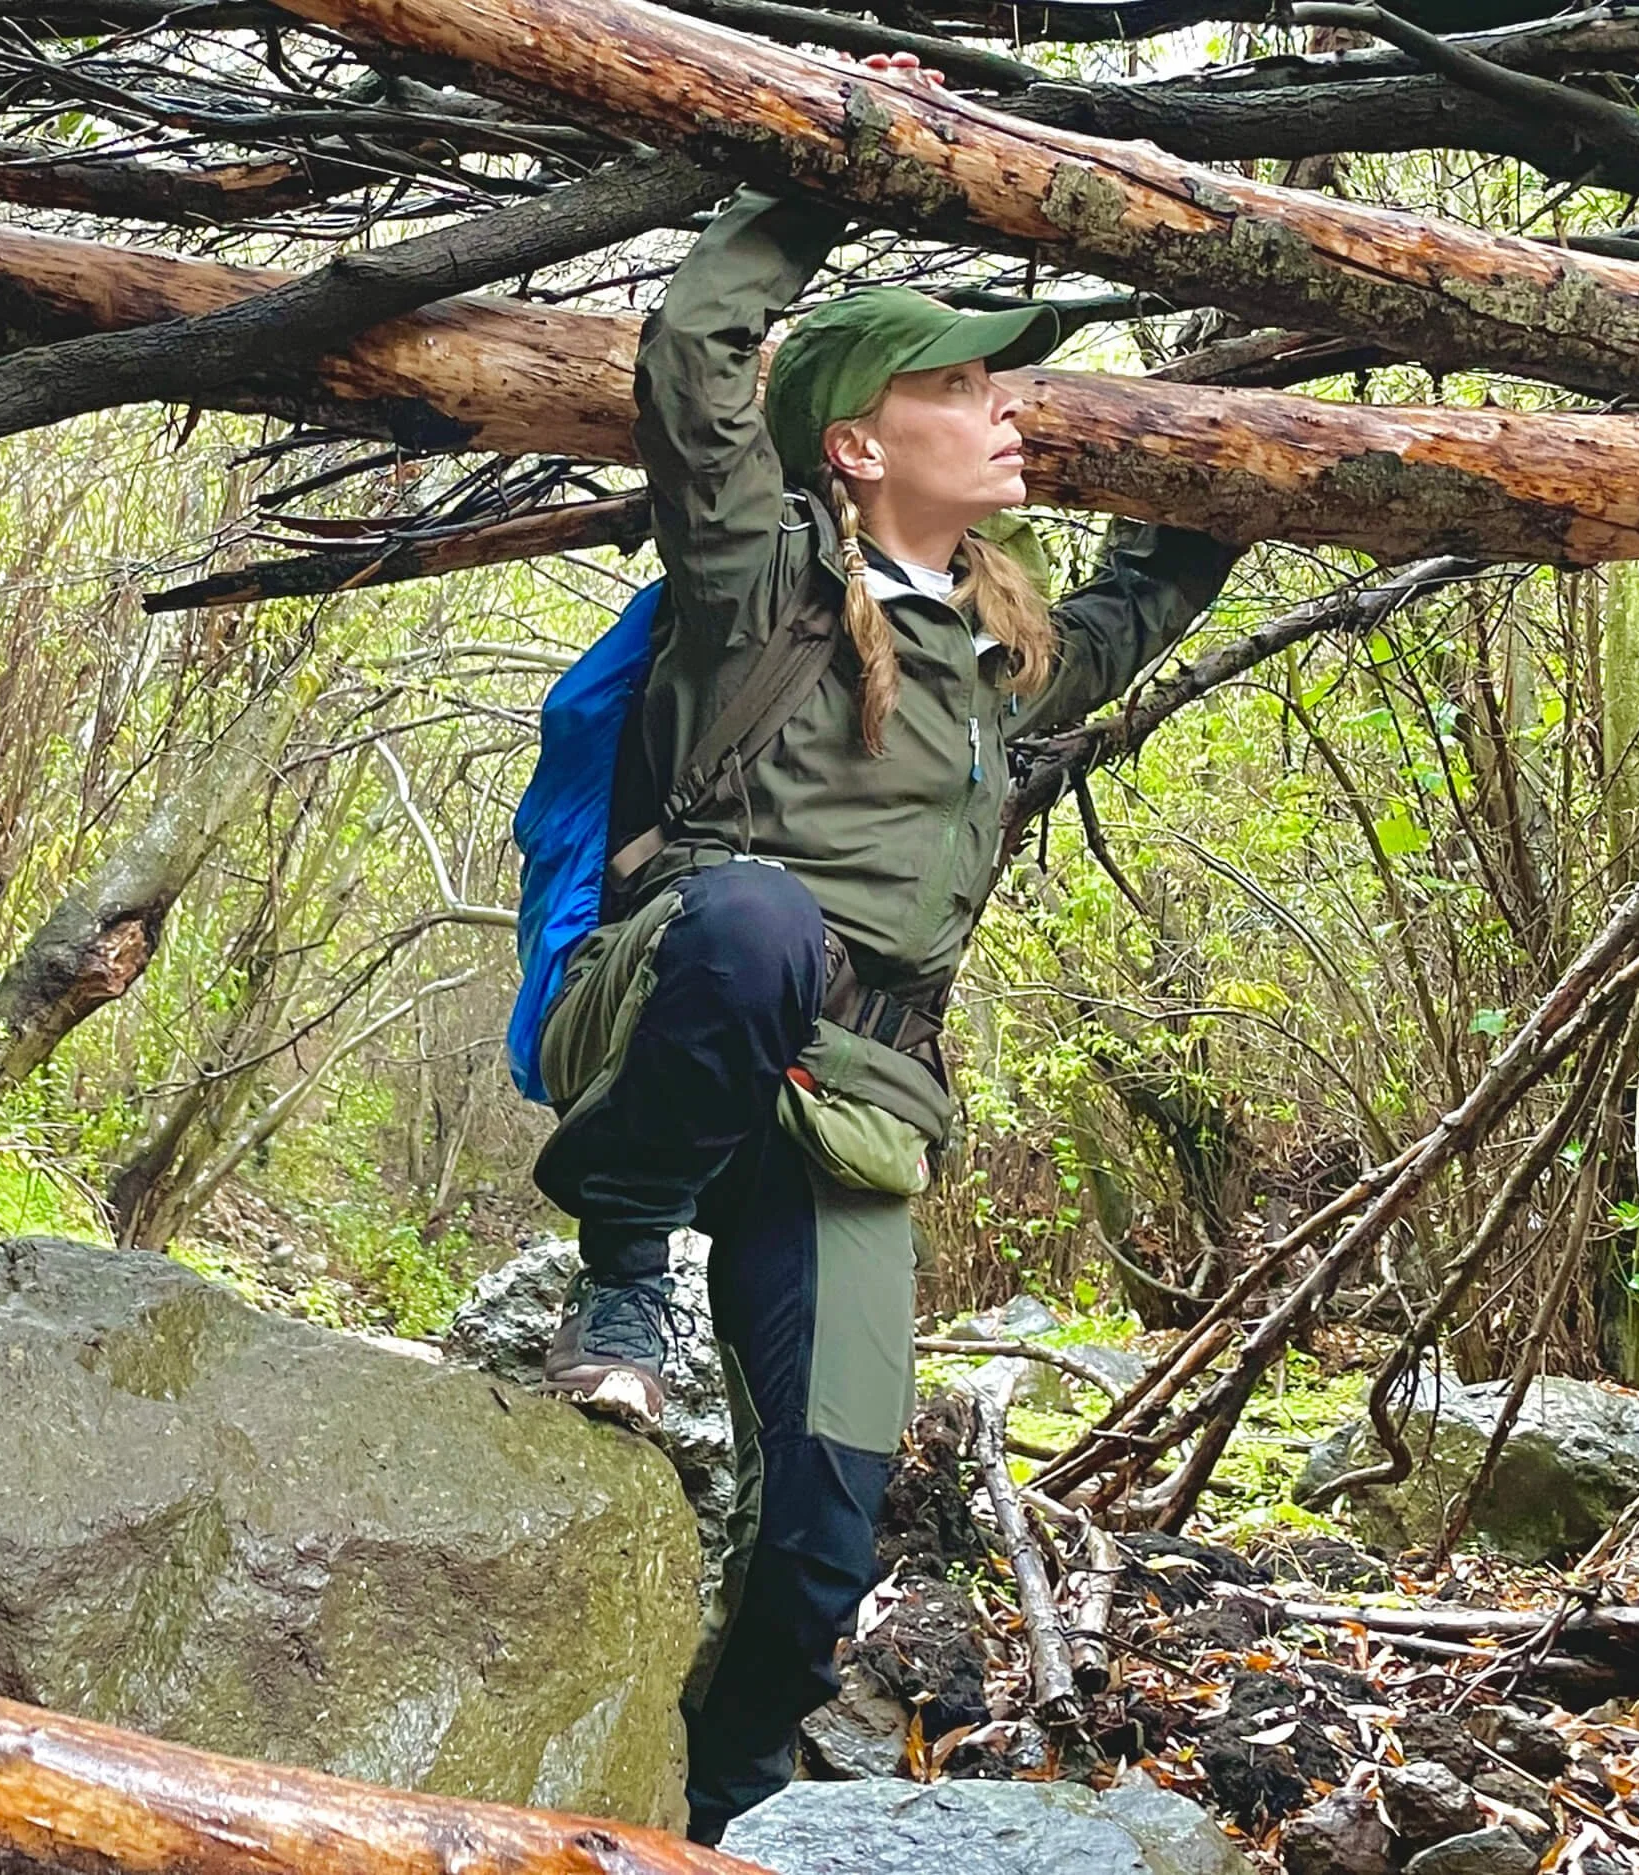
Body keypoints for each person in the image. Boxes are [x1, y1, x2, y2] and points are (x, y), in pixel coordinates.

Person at [528, 68, 1243, 1842]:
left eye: (1003, 382)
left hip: (855, 1092)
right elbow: (697, 355)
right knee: (763, 920)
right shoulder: (756, 576)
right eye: (959, 384)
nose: (1006, 413)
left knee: (832, 1519)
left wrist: (1231, 412)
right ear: (854, 441)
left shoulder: (1006, 655)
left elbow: (1155, 588)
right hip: (684, 986)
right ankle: (622, 1267)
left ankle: (722, 1788)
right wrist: (835, 163)